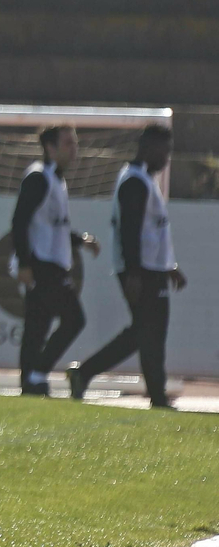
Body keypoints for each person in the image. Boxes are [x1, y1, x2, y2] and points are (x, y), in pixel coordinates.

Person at [68, 125, 188, 408]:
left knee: (144, 333)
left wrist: (169, 266)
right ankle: (156, 396)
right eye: (164, 151)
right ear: (148, 148)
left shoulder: (145, 179)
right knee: (152, 332)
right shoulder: (134, 180)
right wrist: (134, 272)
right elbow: (130, 230)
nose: (166, 158)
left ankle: (84, 373)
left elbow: (151, 231)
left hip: (150, 268)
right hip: (141, 270)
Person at [10, 125, 100, 397]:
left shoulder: (56, 179)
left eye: (75, 143)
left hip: (52, 263)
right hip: (41, 264)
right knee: (75, 319)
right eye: (68, 144)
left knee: (37, 326)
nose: (74, 149)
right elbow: (20, 221)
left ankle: (31, 384)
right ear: (50, 148)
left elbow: (51, 225)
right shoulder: (38, 178)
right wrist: (25, 263)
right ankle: (37, 373)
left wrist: (79, 240)